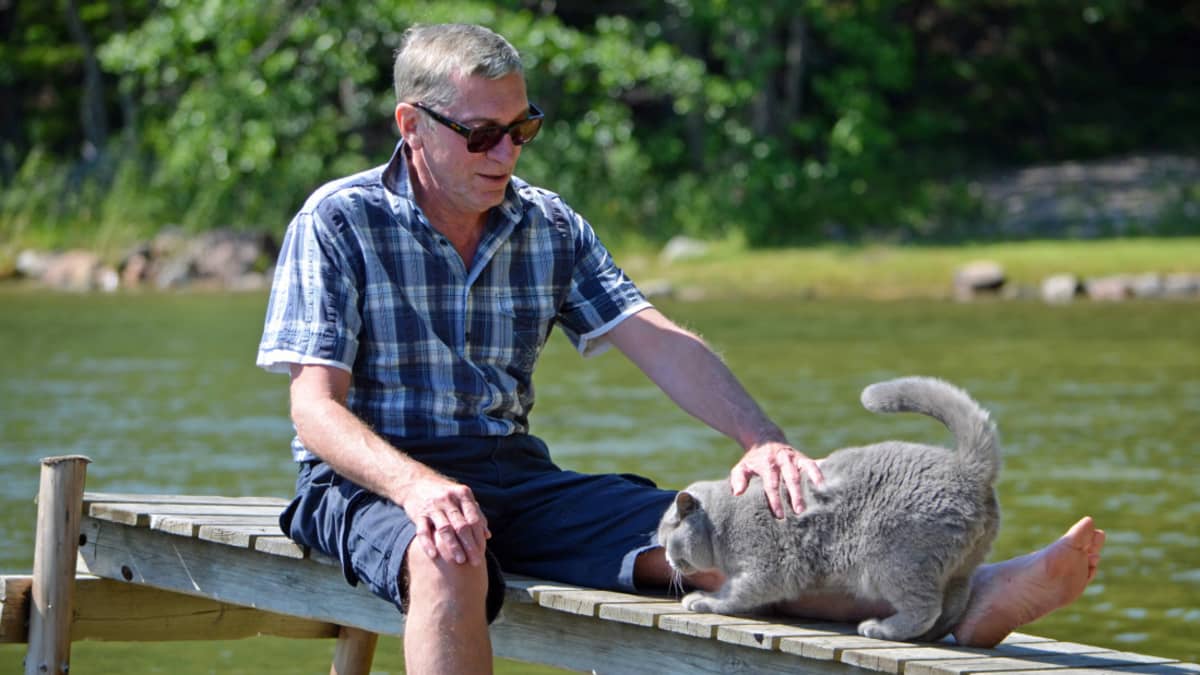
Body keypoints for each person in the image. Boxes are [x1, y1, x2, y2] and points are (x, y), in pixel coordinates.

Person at [257, 23, 1105, 675]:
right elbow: (314, 407)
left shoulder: (546, 223)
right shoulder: (337, 222)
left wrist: (761, 438)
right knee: (447, 550)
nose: (508, 153)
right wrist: (419, 487)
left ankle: (967, 599)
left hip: (513, 472)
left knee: (742, 544)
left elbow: (655, 339)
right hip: (368, 482)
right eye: (483, 135)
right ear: (412, 124)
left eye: (525, 128)